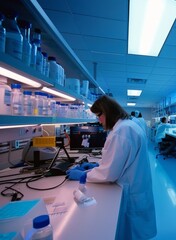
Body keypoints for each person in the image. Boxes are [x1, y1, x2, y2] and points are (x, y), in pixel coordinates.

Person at [66, 95, 157, 240]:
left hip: (130, 191)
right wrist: (97, 165)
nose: (99, 120)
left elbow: (109, 173)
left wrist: (84, 175)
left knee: (131, 233)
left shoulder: (122, 131)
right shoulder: (126, 126)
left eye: (99, 115)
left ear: (107, 112)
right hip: (134, 185)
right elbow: (118, 160)